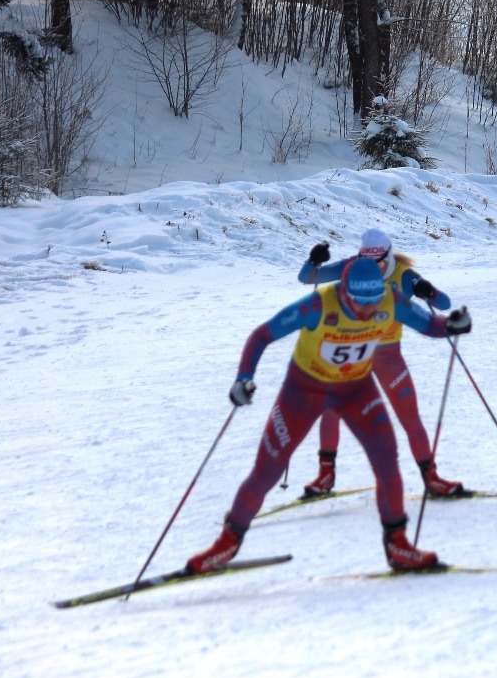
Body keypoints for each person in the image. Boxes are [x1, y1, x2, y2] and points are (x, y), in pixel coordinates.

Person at [185, 257, 473, 575]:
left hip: (356, 389)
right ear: (343, 292)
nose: (367, 308)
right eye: (359, 301)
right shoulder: (318, 305)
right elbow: (262, 335)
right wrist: (243, 378)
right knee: (268, 470)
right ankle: (226, 544)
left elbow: (429, 324)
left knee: (386, 460)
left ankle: (397, 544)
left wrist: (451, 323)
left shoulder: (389, 299)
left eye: (373, 300)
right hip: (304, 391)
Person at [296, 228, 468, 498]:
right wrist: (314, 261)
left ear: (388, 255)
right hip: (352, 353)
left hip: (388, 357)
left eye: (379, 260)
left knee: (409, 416)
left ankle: (432, 478)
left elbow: (444, 302)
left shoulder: (403, 275)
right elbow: (307, 277)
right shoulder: (352, 267)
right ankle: (325, 475)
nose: (373, 266)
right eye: (367, 259)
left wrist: (428, 291)